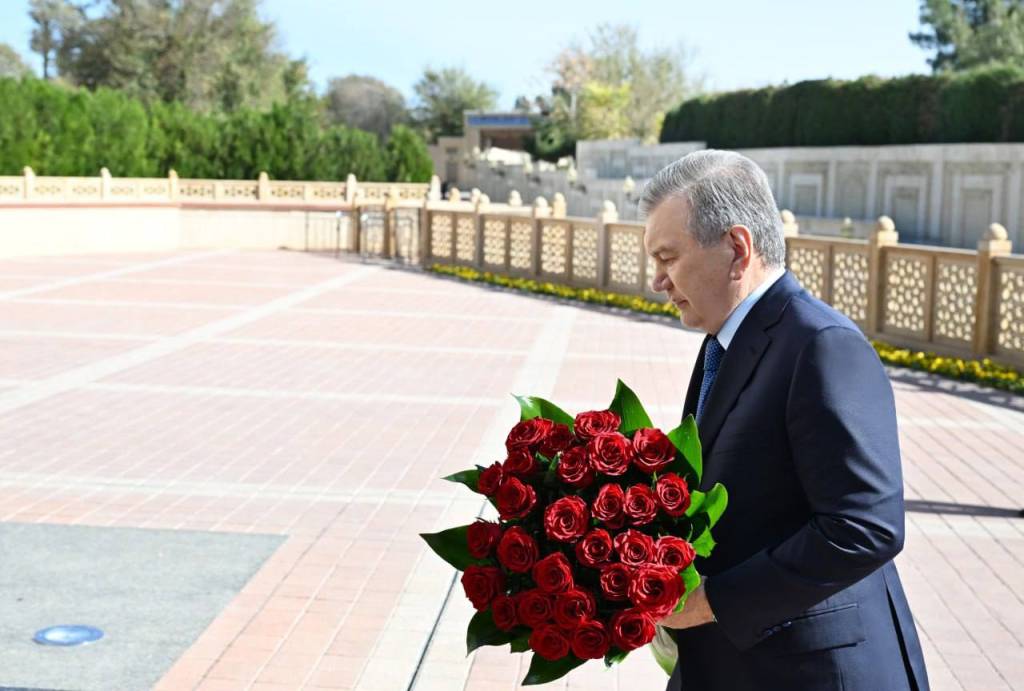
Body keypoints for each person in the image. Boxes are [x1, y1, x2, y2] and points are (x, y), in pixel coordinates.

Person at [641, 150, 930, 691]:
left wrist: (709, 602)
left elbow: (864, 527)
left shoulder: (821, 344)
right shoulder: (725, 341)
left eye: (668, 258)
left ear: (737, 248)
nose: (657, 280)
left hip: (813, 672)